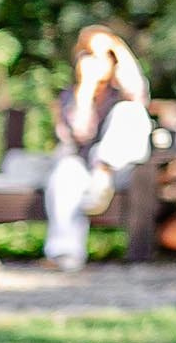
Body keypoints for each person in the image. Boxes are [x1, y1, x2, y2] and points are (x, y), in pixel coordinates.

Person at [42, 27, 153, 271]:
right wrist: (86, 89)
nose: (98, 61)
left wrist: (118, 49)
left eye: (105, 56)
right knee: (65, 173)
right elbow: (78, 133)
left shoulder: (124, 94)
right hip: (83, 169)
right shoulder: (71, 96)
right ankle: (65, 253)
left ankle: (103, 173)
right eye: (90, 55)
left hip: (121, 171)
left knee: (131, 113)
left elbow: (138, 92)